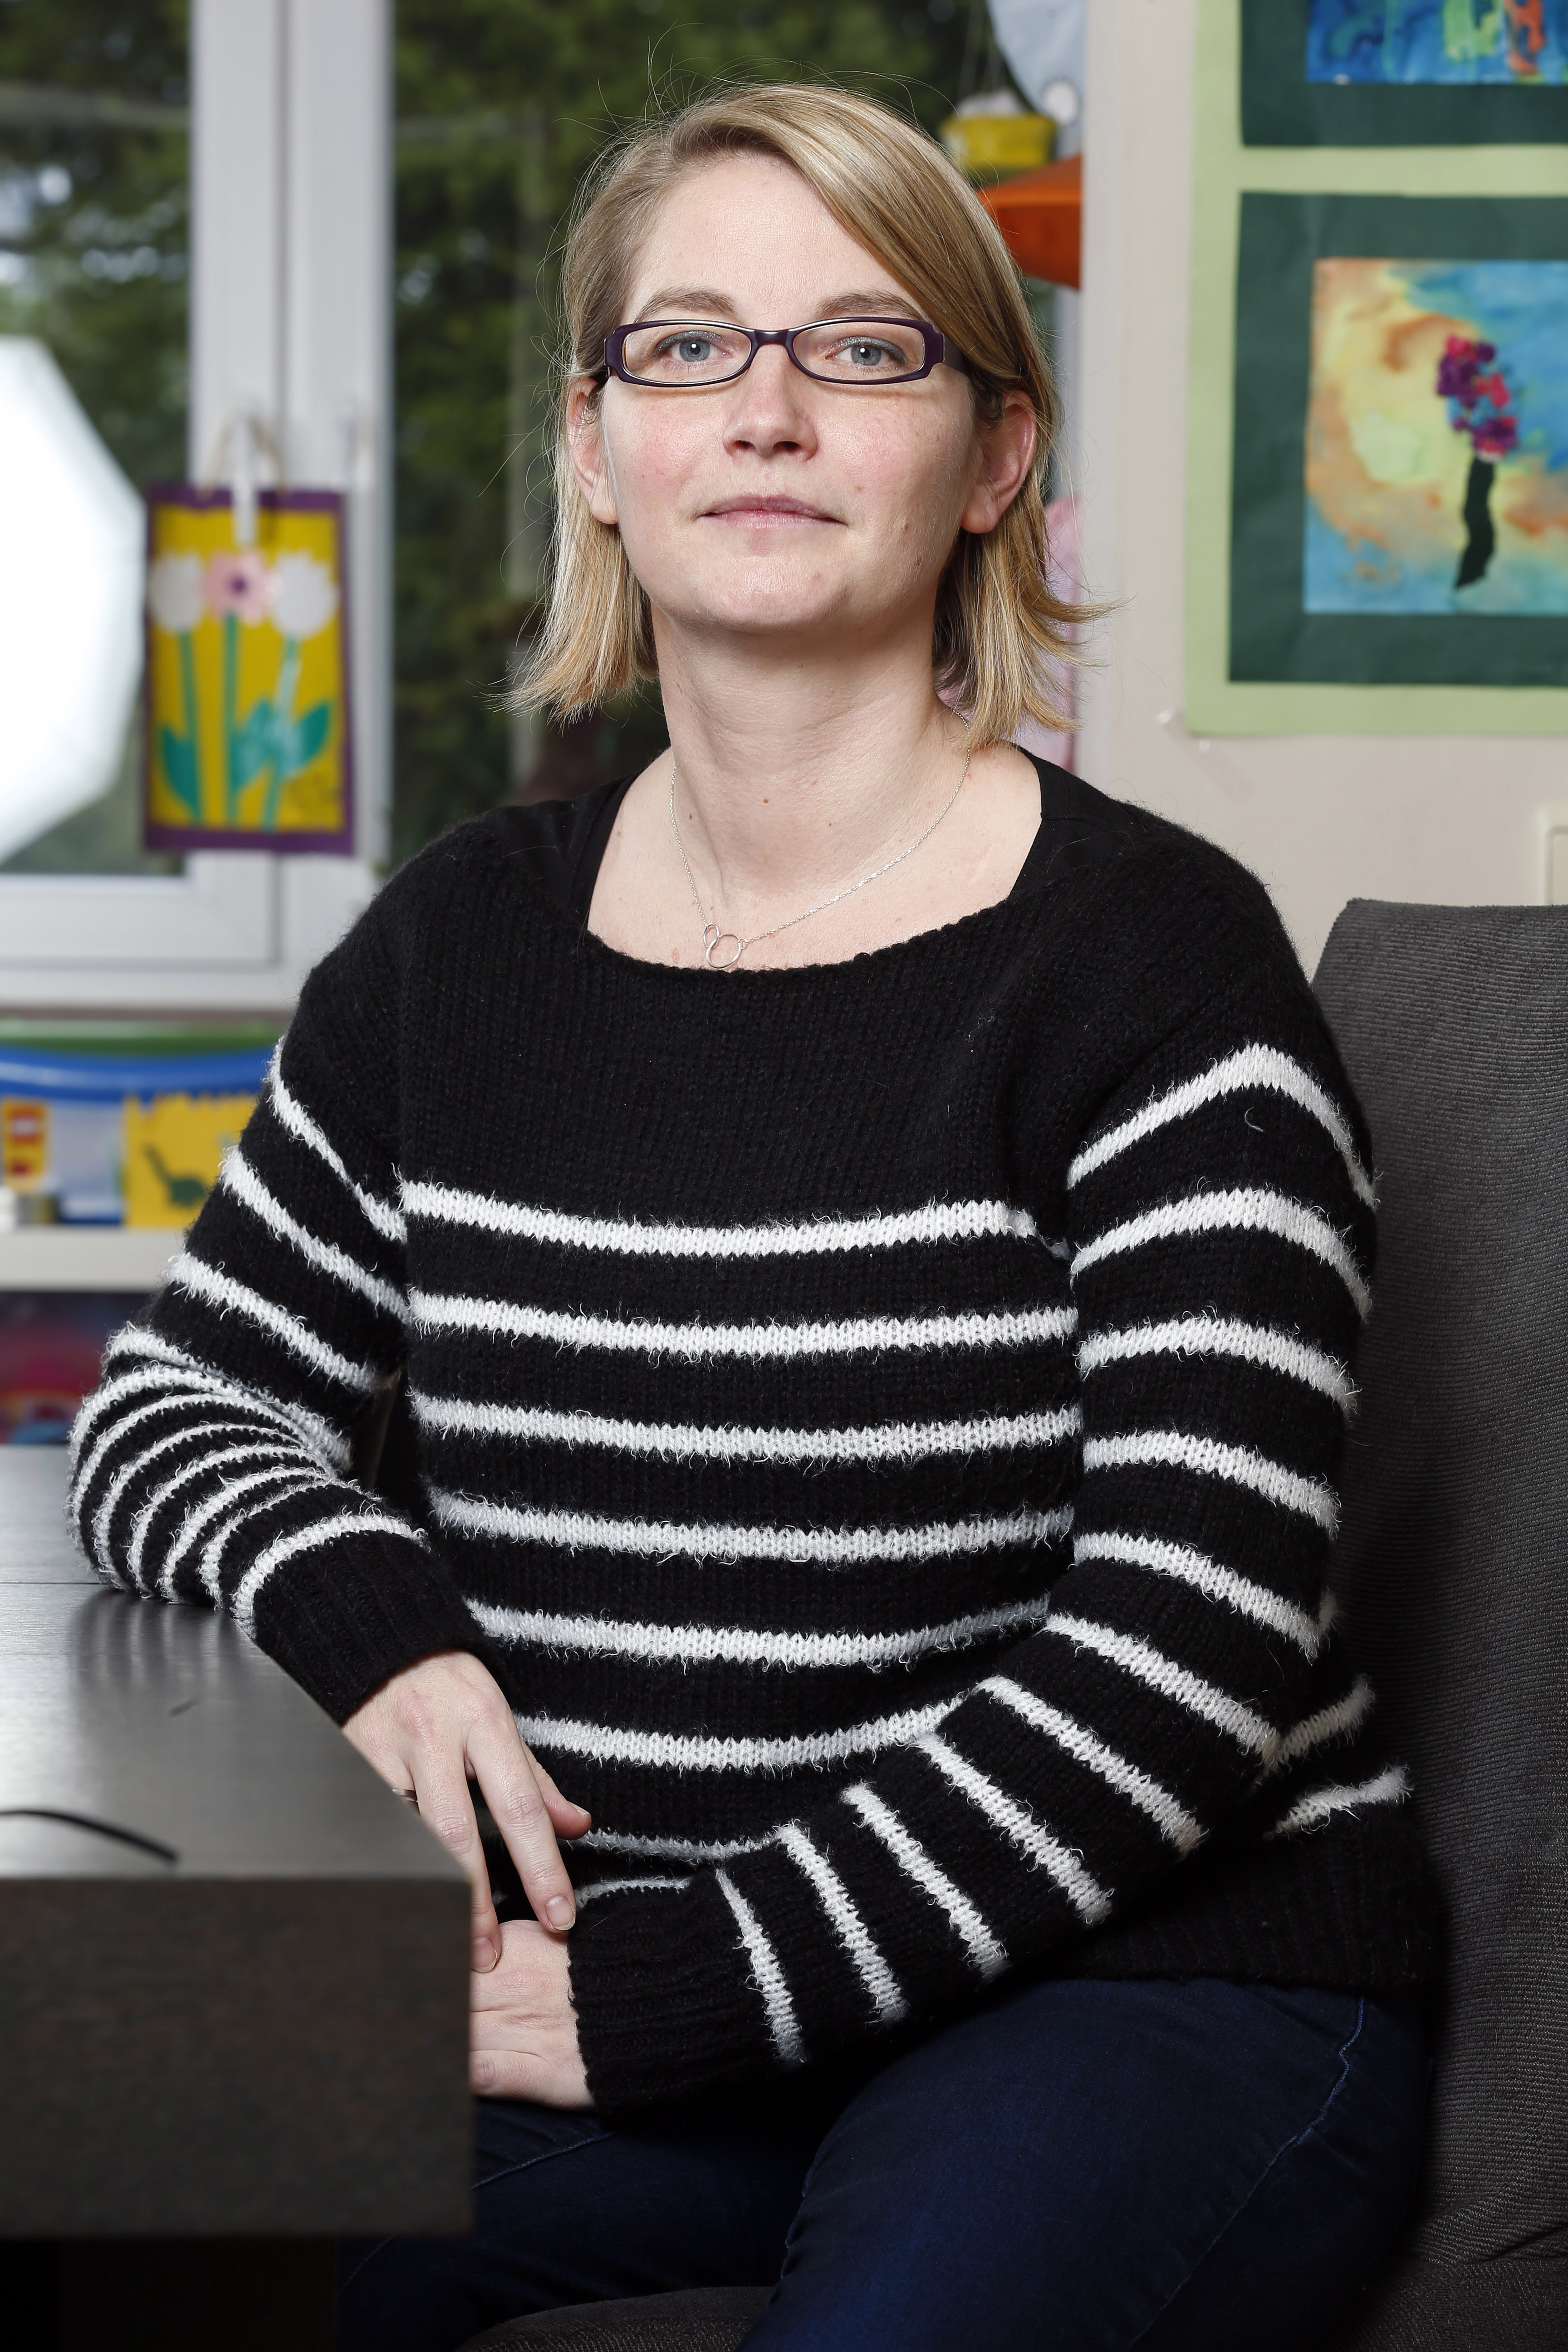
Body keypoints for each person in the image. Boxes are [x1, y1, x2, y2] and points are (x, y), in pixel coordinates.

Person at [69, 81, 1434, 2352]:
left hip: (1133, 1983)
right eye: (688, 345)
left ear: (994, 457)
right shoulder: (459, 947)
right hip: (650, 1982)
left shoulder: (1156, 965)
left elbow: (1185, 1651)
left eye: (866, 348)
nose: (768, 410)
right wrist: (375, 1621)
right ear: (597, 446)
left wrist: (677, 1995)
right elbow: (170, 1410)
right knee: (125, 2227)